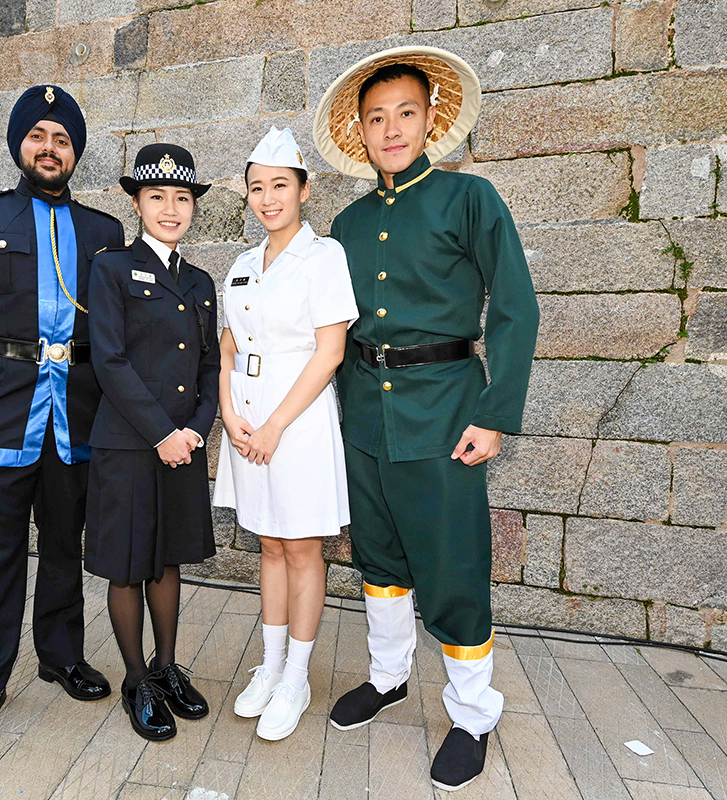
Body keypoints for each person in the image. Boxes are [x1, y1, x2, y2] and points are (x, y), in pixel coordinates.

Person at [312, 47, 540, 790]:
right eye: (376, 118)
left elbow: (514, 307)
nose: (392, 129)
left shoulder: (470, 199)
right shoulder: (344, 222)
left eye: (405, 113)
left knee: (454, 565)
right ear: (361, 132)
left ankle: (474, 713)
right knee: (378, 557)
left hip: (445, 414)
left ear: (431, 120)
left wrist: (495, 413)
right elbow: (329, 327)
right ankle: (388, 678)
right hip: (364, 419)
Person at [0, 85, 124, 755]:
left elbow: (117, 337)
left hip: (76, 421)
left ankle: (60, 656)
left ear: (75, 153)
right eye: (37, 135)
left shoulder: (104, 232)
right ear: (19, 146)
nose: (49, 148)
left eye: (61, 139)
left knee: (66, 546)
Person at [213, 127, 358, 741]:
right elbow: (226, 350)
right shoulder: (243, 265)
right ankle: (270, 666)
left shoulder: (323, 257)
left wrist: (273, 425)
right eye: (256, 188)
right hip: (247, 422)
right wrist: (228, 413)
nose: (267, 198)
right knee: (269, 545)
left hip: (296, 424)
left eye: (279, 185)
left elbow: (329, 353)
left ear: (303, 189)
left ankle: (297, 676)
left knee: (302, 549)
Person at [85, 144, 221, 742]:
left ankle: (167, 668)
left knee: (167, 556)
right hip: (128, 442)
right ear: (136, 202)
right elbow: (109, 362)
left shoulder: (199, 280)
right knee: (128, 562)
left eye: (182, 198)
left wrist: (196, 427)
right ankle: (136, 679)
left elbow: (212, 365)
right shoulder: (111, 268)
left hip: (183, 444)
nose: (171, 208)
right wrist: (163, 432)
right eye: (158, 197)